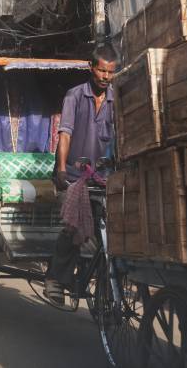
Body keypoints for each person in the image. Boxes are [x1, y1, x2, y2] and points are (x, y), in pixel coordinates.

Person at [44, 44, 117, 303]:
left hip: (103, 178)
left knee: (109, 233)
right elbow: (65, 133)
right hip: (73, 176)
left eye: (111, 72)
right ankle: (55, 278)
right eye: (102, 71)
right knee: (74, 227)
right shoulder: (75, 95)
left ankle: (105, 290)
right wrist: (62, 169)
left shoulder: (115, 100)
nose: (106, 77)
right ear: (91, 67)